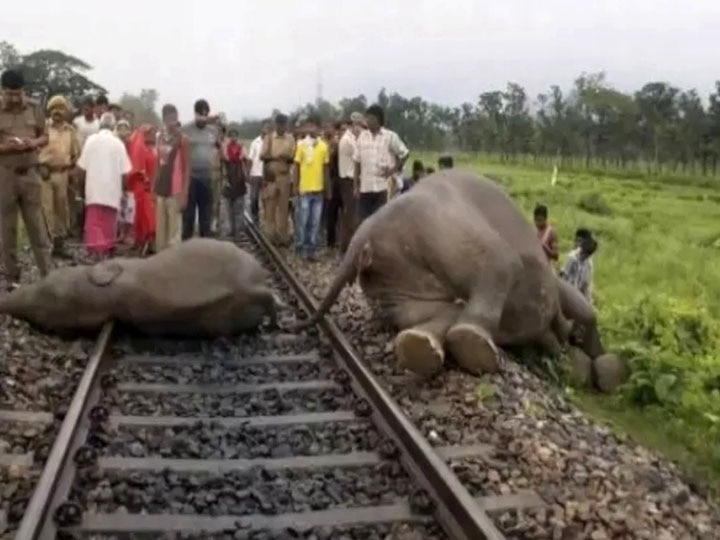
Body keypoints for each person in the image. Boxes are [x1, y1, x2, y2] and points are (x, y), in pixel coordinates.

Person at [0, 69, 53, 290]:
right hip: (5, 175)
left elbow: (46, 136)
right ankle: (12, 278)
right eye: (9, 94)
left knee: (37, 228)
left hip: (31, 175)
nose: (14, 98)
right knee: (7, 230)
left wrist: (34, 143)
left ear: (24, 91)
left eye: (18, 93)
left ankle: (48, 277)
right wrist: (6, 148)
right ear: (3, 92)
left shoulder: (34, 108)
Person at [75, 112, 131, 260]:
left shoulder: (91, 141)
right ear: (113, 126)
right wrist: (123, 191)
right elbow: (125, 173)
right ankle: (106, 255)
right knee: (108, 226)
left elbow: (81, 169)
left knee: (94, 225)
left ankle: (95, 255)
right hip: (112, 194)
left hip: (93, 192)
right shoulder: (118, 143)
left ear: (99, 125)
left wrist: (80, 191)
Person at [38, 95, 81, 258]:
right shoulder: (43, 128)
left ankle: (59, 246)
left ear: (66, 112)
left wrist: (72, 172)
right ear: (50, 110)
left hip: (62, 174)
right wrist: (39, 165)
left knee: (62, 210)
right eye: (54, 108)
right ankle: (45, 247)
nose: (57, 111)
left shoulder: (70, 131)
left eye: (61, 108)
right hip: (45, 175)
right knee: (46, 209)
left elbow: (76, 153)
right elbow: (35, 149)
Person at [352, 104, 409, 223]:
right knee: (363, 221)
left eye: (371, 118)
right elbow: (357, 162)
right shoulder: (362, 137)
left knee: (380, 221)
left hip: (383, 186)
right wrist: (356, 186)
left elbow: (404, 154)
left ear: (378, 120)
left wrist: (392, 170)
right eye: (367, 118)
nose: (368, 121)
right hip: (365, 187)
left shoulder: (390, 137)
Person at [293, 116, 329, 260]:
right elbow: (296, 167)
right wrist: (295, 185)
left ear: (318, 128)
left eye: (314, 126)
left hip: (318, 190)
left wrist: (327, 188)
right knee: (303, 221)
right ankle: (300, 246)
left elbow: (325, 169)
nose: (311, 129)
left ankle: (311, 249)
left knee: (315, 222)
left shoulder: (323, 146)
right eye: (308, 126)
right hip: (304, 189)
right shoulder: (301, 145)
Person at [155, 104, 190, 252]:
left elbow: (188, 168)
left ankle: (174, 266)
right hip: (161, 188)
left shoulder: (183, 139)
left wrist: (184, 193)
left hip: (175, 190)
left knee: (174, 234)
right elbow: (157, 163)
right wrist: (153, 188)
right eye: (169, 118)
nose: (172, 122)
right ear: (163, 119)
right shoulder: (159, 137)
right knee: (161, 232)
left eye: (175, 118)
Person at [182, 99, 219, 240]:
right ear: (195, 113)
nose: (204, 117)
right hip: (191, 177)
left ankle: (205, 246)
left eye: (206, 114)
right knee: (188, 216)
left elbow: (219, 149)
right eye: (201, 114)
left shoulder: (213, 131)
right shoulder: (185, 130)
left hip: (207, 178)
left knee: (206, 215)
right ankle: (187, 245)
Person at [260, 113, 296, 246]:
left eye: (284, 124)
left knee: (283, 208)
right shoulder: (269, 138)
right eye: (279, 124)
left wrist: (286, 157)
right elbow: (262, 156)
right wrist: (276, 156)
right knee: (270, 207)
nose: (282, 127)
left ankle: (282, 237)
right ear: (276, 125)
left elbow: (293, 157)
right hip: (271, 177)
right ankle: (270, 236)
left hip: (285, 176)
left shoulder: (291, 138)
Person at [127, 125, 158, 251]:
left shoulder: (152, 149)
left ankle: (145, 240)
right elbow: (139, 169)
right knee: (145, 214)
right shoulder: (141, 149)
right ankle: (144, 239)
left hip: (151, 185)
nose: (153, 135)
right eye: (151, 133)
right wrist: (146, 181)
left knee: (147, 214)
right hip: (143, 186)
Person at [336, 113, 362, 252]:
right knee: (351, 215)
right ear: (354, 125)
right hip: (348, 179)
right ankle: (347, 247)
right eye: (359, 125)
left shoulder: (350, 139)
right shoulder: (348, 140)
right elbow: (359, 157)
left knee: (350, 214)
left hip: (350, 179)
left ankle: (346, 246)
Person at [222, 128, 246, 240]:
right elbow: (225, 158)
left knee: (239, 207)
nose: (233, 138)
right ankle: (230, 230)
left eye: (235, 135)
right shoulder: (225, 148)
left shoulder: (242, 148)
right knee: (228, 208)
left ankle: (238, 230)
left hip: (239, 179)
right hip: (228, 178)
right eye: (231, 135)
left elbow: (244, 159)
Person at [561, 229, 597, 301]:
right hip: (568, 291)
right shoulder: (572, 258)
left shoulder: (589, 264)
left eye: (586, 255)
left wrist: (588, 300)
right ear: (581, 248)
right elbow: (564, 275)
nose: (583, 256)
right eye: (582, 253)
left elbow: (586, 283)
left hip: (578, 294)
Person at [246, 120, 270, 224]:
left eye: (268, 128)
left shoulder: (272, 142)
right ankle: (255, 219)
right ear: (261, 128)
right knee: (254, 198)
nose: (266, 130)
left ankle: (267, 221)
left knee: (266, 200)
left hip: (267, 175)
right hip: (255, 174)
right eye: (265, 127)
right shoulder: (255, 142)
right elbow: (250, 159)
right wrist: (248, 174)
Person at [116, 119, 135, 245]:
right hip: (117, 181)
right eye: (120, 129)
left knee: (129, 208)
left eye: (125, 129)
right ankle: (121, 233)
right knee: (119, 208)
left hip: (130, 181)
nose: (123, 132)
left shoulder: (133, 145)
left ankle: (128, 233)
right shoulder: (115, 145)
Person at [323, 122, 342, 249]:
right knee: (331, 213)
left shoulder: (343, 143)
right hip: (333, 179)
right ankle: (330, 241)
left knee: (341, 213)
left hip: (343, 180)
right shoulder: (331, 144)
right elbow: (328, 160)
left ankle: (338, 239)